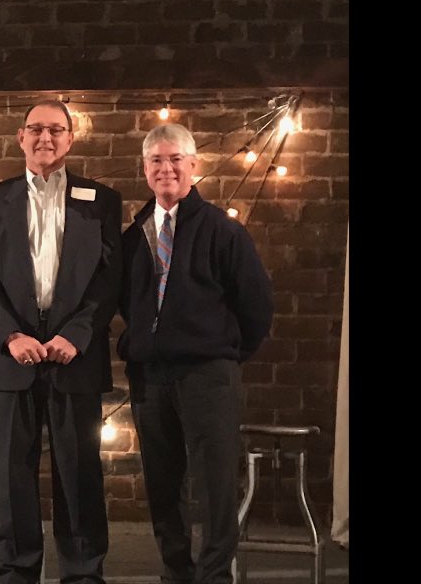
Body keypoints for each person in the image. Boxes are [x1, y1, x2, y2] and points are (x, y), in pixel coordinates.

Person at [0, 100, 122, 584]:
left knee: (79, 473)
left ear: (70, 139)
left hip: (74, 356)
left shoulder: (100, 200)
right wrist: (9, 335)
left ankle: (83, 573)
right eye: (36, 129)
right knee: (12, 474)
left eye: (56, 130)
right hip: (12, 357)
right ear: (20, 137)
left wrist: (77, 334)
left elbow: (109, 279)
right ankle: (15, 572)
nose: (45, 138)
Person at [119, 123, 273, 584]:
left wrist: (221, 354)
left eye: (175, 159)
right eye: (156, 161)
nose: (166, 168)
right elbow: (127, 302)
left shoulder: (224, 232)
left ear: (193, 165)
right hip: (151, 377)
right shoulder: (134, 236)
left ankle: (214, 575)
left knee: (215, 485)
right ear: (145, 169)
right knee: (162, 484)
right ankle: (176, 572)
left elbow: (256, 307)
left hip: (207, 374)